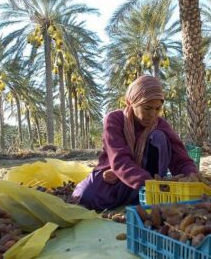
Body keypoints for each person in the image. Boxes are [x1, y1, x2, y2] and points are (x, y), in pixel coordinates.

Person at [72, 75, 198, 211]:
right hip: (118, 176)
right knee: (85, 197)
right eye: (147, 108)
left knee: (159, 136)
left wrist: (191, 175)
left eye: (158, 109)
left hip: (150, 183)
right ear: (132, 103)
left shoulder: (160, 124)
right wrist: (147, 183)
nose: (153, 115)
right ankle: (141, 193)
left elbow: (181, 159)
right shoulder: (115, 120)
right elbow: (120, 161)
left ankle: (147, 195)